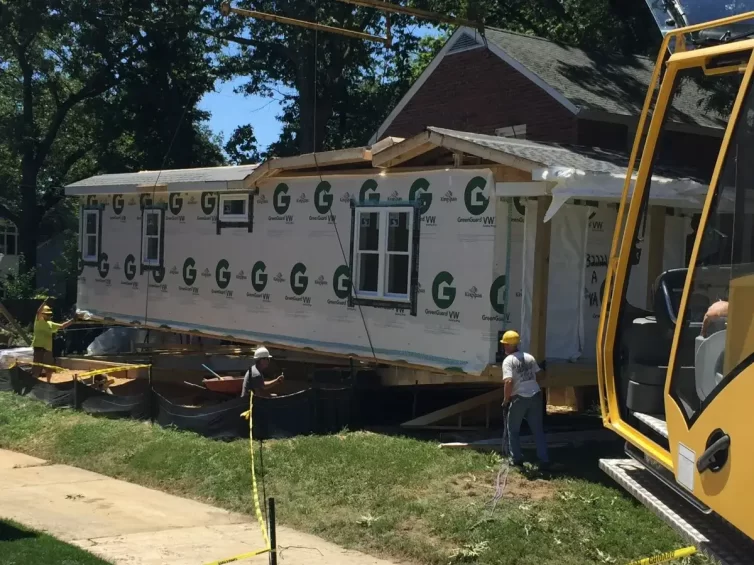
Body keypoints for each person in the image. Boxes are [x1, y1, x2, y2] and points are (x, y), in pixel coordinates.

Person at [501, 330, 549, 470]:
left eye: (505, 344)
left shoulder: (508, 361)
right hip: (535, 396)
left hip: (519, 398)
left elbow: (508, 382)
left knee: (513, 430)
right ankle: (544, 459)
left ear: (510, 345)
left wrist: (506, 400)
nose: (504, 347)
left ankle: (517, 459)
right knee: (537, 430)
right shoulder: (529, 357)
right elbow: (540, 376)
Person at [31, 303, 74, 381]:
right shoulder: (38, 321)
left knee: (49, 367)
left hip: (48, 348)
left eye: (50, 314)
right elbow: (38, 312)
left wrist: (73, 320)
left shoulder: (50, 323)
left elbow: (62, 326)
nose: (49, 316)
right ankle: (33, 382)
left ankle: (48, 382)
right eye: (47, 314)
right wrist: (43, 303)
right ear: (42, 314)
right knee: (37, 367)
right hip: (39, 347)